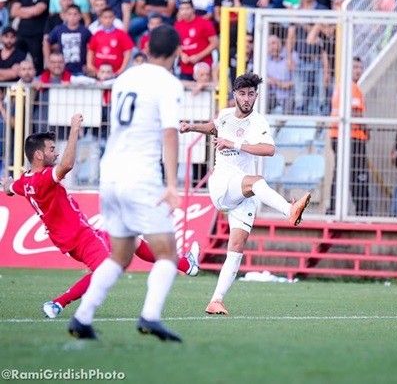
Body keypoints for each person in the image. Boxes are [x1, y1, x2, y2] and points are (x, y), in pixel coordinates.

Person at [0, 120, 200, 319]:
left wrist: (8, 185)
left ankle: (186, 265)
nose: (56, 153)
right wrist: (75, 129)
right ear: (38, 155)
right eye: (52, 149)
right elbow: (67, 165)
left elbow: (11, 188)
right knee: (103, 271)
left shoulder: (25, 181)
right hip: (80, 236)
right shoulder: (43, 179)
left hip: (70, 237)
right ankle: (58, 303)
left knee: (132, 241)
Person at [68, 25, 187, 341]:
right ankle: (150, 316)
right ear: (177, 52)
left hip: (110, 175)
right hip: (140, 176)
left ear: (145, 49)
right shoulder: (169, 83)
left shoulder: (125, 78)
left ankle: (82, 317)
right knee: (167, 253)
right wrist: (171, 184)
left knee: (120, 255)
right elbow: (170, 133)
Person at [179, 73, 312, 315]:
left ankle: (216, 300)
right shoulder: (225, 115)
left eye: (251, 94)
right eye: (242, 94)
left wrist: (234, 144)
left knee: (236, 247)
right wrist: (191, 127)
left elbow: (269, 149)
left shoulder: (258, 122)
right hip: (222, 185)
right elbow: (214, 127)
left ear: (256, 96)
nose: (247, 98)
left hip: (243, 191)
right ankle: (289, 210)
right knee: (257, 181)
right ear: (235, 95)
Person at [327, 57, 371, 216]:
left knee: (340, 173)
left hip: (337, 135)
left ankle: (334, 209)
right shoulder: (352, 88)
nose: (358, 71)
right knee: (358, 174)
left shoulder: (340, 87)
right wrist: (366, 130)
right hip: (352, 137)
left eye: (360, 67)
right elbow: (355, 112)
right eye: (355, 67)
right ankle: (362, 211)